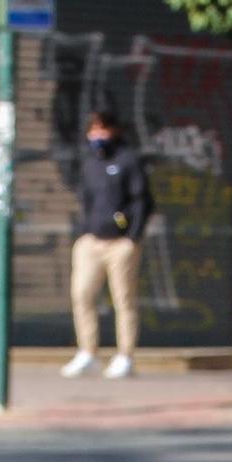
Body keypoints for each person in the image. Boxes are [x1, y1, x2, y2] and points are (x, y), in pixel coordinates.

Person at [63, 108, 152, 380]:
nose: (97, 136)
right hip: (92, 240)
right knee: (81, 295)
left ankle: (125, 356)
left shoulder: (128, 161)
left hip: (120, 244)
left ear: (114, 130)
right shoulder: (90, 164)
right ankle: (87, 352)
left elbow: (142, 202)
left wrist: (132, 237)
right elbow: (85, 201)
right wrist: (83, 232)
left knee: (123, 299)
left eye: (102, 130)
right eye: (93, 130)